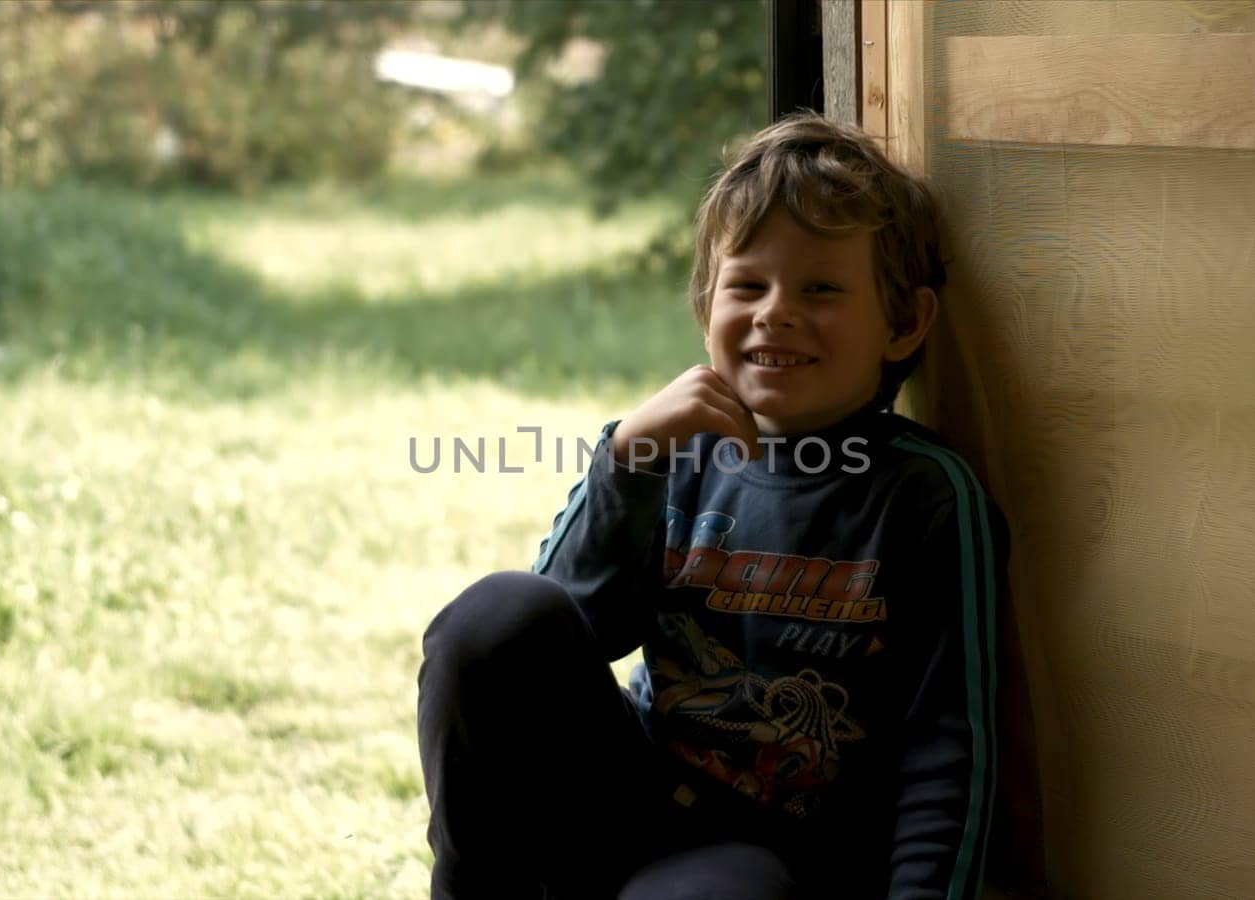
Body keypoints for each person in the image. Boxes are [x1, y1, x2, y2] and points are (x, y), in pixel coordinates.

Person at [417, 111, 1009, 900]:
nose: (775, 312)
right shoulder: (677, 451)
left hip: (775, 854)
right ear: (706, 309)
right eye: (747, 285)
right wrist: (626, 460)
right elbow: (574, 628)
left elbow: (949, 748)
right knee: (496, 616)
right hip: (632, 797)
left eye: (821, 288)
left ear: (904, 324)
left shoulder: (926, 496)